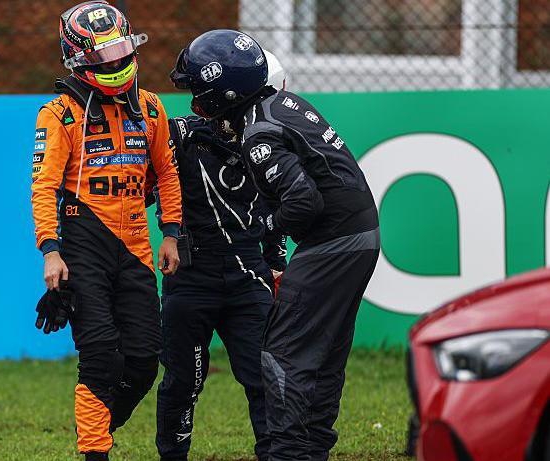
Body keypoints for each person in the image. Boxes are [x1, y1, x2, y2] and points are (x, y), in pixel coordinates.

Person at [170, 29, 380, 461]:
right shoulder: (284, 104)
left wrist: (267, 223)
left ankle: (288, 452)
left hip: (332, 243)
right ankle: (313, 449)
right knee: (325, 354)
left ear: (224, 92)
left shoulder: (257, 132)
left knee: (283, 353)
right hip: (358, 236)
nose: (196, 105)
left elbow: (303, 201)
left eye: (198, 93)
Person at [30, 2, 182, 460]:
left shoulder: (151, 107)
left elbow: (167, 172)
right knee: (99, 356)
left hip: (137, 247)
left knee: (144, 360)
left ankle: (97, 422)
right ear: (76, 59)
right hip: (82, 245)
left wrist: (171, 233)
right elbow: (44, 185)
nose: (115, 63)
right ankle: (94, 451)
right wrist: (51, 250)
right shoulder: (58, 114)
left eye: (119, 52)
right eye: (103, 57)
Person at [155, 114, 287, 461]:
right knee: (183, 381)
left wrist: (276, 260)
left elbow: (278, 201)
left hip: (248, 272)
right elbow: (142, 188)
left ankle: (276, 455)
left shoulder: (266, 135)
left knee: (265, 375)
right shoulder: (180, 132)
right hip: (189, 272)